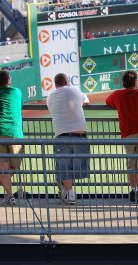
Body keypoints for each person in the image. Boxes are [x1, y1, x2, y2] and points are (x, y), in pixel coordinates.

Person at [105, 70, 138, 205]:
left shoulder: (117, 94)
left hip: (127, 135)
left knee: (131, 164)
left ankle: (133, 190)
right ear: (136, 81)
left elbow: (108, 102)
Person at [46, 73, 90, 205]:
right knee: (77, 166)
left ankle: (69, 193)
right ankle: (67, 191)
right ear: (67, 81)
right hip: (79, 134)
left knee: (64, 167)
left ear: (56, 84)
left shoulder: (49, 97)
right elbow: (86, 101)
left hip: (61, 135)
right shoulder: (75, 90)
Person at [0, 70, 24, 205]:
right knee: (10, 168)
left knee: (6, 168)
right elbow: (19, 105)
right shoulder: (17, 92)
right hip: (15, 133)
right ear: (9, 80)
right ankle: (9, 196)